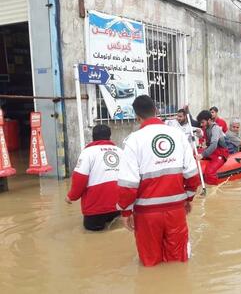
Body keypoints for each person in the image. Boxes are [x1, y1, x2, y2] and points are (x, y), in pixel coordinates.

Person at [117, 95, 200, 267]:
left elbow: (128, 185)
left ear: (137, 117)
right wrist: (189, 198)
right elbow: (192, 175)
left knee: (149, 264)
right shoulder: (178, 135)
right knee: (178, 262)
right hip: (176, 211)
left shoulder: (133, 141)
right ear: (156, 111)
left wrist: (125, 212)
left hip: (146, 215)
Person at [65, 124, 121, 231]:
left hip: (95, 208)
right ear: (109, 136)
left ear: (93, 137)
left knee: (92, 238)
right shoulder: (120, 152)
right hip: (118, 206)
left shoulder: (87, 153)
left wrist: (71, 197)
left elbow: (79, 179)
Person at [195, 110, 229, 185]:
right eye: (200, 123)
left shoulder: (215, 128)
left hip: (220, 153)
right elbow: (202, 136)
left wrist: (202, 155)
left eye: (202, 122)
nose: (201, 124)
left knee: (209, 172)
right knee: (194, 152)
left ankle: (213, 188)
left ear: (209, 120)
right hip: (212, 151)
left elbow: (214, 144)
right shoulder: (207, 126)